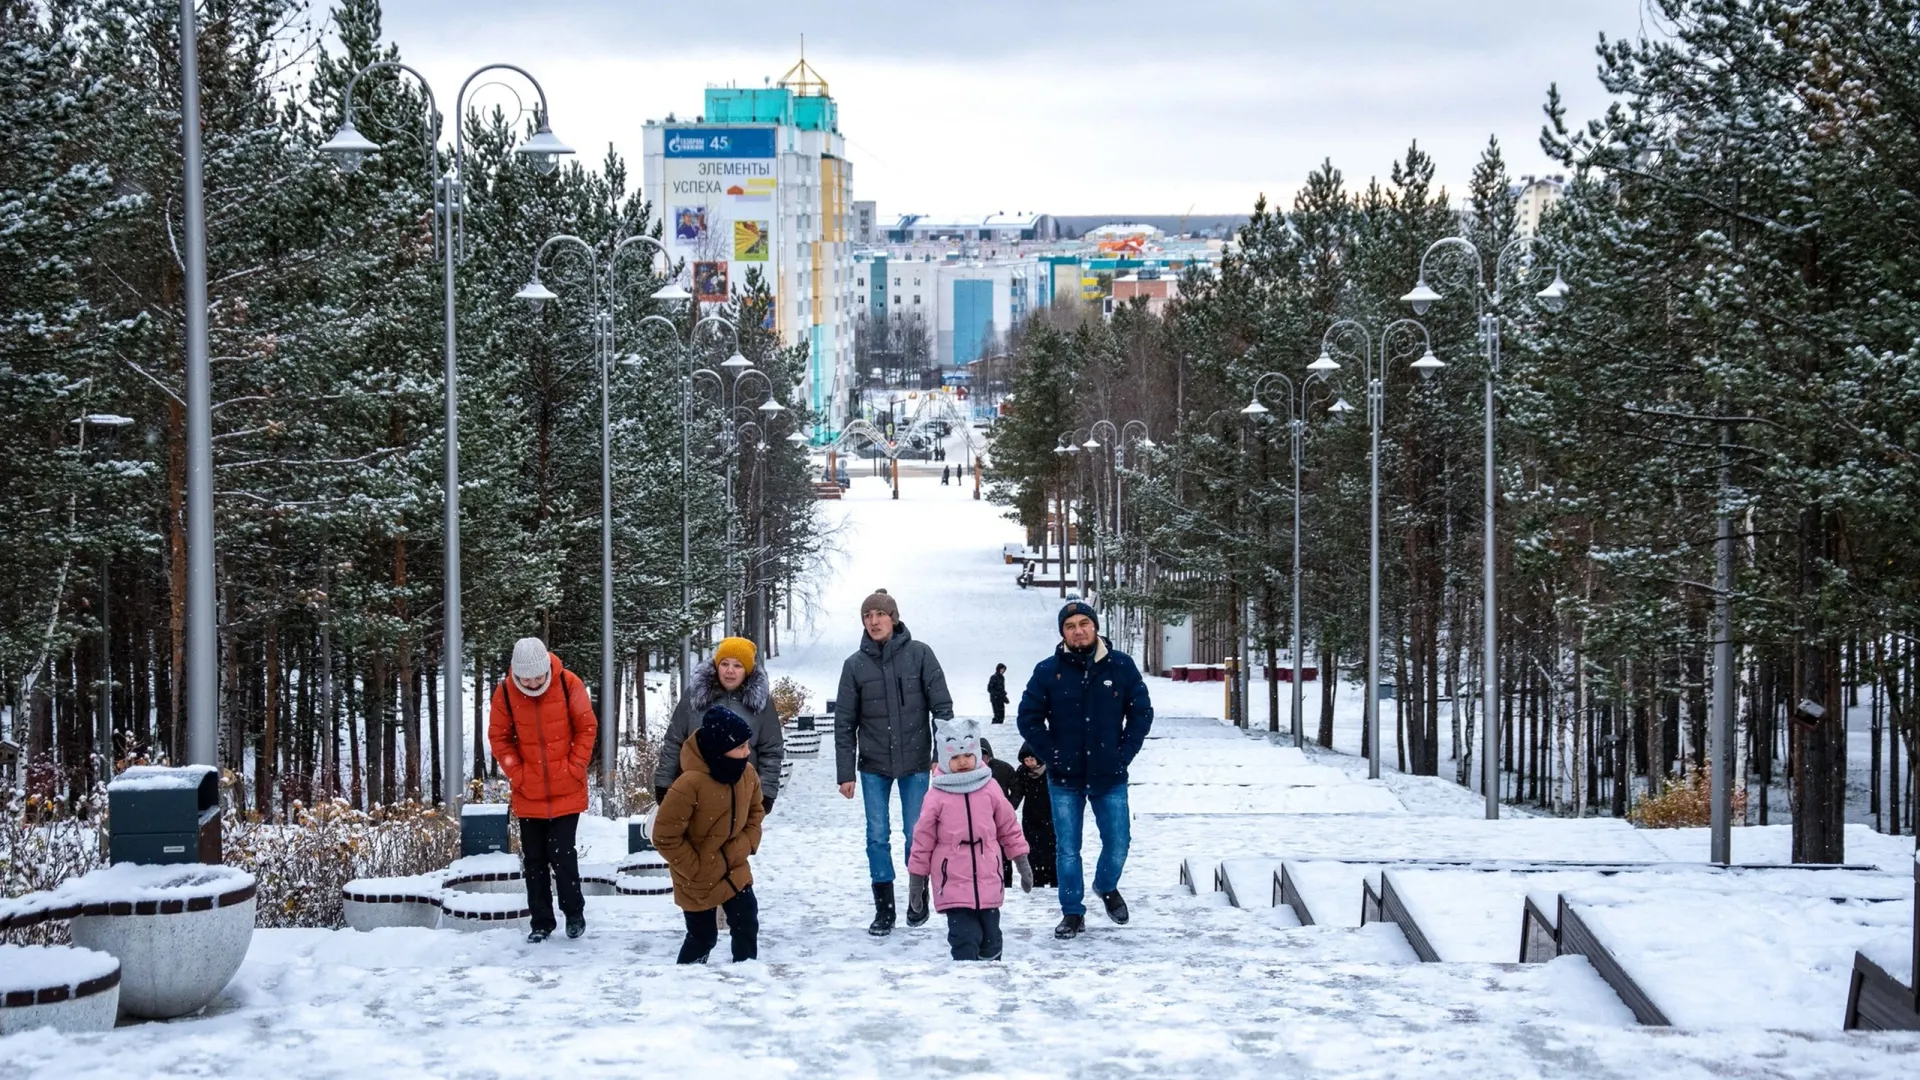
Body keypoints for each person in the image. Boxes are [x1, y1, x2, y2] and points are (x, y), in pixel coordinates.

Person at [1016, 600, 1153, 939]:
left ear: (1095, 626)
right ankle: (1072, 912)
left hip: (1110, 774)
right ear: (1063, 632)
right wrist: (1052, 754)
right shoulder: (1048, 670)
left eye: (1084, 623)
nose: (1078, 630)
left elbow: (1141, 713)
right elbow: (1028, 718)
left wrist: (1123, 754)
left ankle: (1106, 887)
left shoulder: (1120, 666)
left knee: (1119, 842)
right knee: (1067, 848)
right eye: (1070, 626)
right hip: (1065, 778)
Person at [834, 588, 955, 936]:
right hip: (873, 765)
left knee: (916, 834)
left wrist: (940, 756)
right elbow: (845, 723)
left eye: (880, 615)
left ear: (894, 618)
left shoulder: (920, 654)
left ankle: (917, 898)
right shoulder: (854, 665)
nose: (874, 621)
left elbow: (942, 709)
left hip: (916, 762)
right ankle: (884, 909)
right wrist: (845, 773)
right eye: (867, 616)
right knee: (877, 836)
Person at [487, 637, 598, 943]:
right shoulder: (505, 693)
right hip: (528, 790)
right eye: (526, 678)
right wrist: (518, 773)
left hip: (567, 788)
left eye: (538, 677)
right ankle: (541, 922)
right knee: (534, 858)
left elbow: (586, 728)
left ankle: (574, 913)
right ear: (516, 673)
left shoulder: (568, 684)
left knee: (562, 854)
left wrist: (574, 767)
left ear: (547, 668)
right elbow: (499, 737)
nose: (533, 683)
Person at [907, 720, 1032, 961]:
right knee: (965, 936)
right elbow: (922, 840)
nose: (962, 762)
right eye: (955, 757)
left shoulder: (990, 787)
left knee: (991, 937)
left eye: (967, 755)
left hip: (988, 876)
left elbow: (1008, 826)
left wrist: (1020, 859)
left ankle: (991, 981)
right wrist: (917, 879)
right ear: (944, 760)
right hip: (952, 879)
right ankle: (967, 982)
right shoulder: (936, 795)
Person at [653, 705, 766, 964]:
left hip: (735, 867)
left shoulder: (747, 774)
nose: (747, 752)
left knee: (747, 922)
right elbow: (664, 836)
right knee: (703, 937)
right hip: (696, 879)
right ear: (719, 750)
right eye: (740, 747)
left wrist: (747, 843)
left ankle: (745, 978)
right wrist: (696, 868)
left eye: (748, 745)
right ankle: (687, 986)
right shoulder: (689, 784)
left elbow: (756, 811)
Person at [654, 636, 784, 813]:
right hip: (694, 795)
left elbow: (771, 751)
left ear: (747, 670)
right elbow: (674, 741)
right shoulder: (694, 696)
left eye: (737, 665)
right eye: (724, 664)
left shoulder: (762, 704)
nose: (730, 671)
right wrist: (663, 784)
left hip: (742, 796)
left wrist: (765, 795)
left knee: (740, 841)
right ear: (716, 666)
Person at [1010, 744, 1058, 889]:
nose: (1029, 763)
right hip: (1031, 816)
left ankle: (1055, 879)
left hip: (1051, 815)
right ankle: (1037, 880)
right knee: (1033, 850)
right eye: (1026, 760)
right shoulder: (1022, 772)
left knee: (1051, 849)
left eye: (1032, 759)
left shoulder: (1050, 770)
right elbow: (1018, 792)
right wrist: (1009, 809)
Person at [979, 738, 1019, 886]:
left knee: (1005, 851)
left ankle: (1006, 883)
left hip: (1002, 819)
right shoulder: (971, 773)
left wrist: (1009, 807)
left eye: (984, 754)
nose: (982, 758)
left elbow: (1017, 788)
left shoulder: (1003, 768)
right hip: (981, 820)